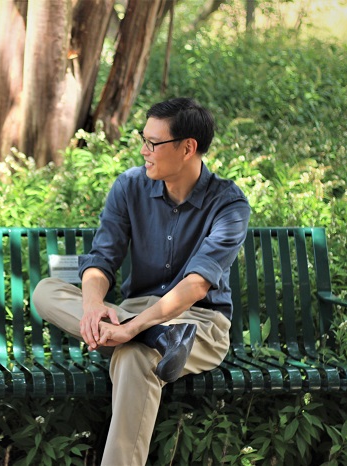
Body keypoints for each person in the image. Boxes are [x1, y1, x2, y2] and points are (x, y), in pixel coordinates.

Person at [33, 97, 250, 466]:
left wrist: (132, 330)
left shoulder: (228, 205)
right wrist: (92, 307)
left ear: (187, 148)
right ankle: (159, 340)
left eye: (153, 143)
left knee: (134, 358)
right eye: (143, 139)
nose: (144, 151)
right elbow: (102, 258)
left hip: (198, 323)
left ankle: (153, 338)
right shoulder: (130, 186)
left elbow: (197, 285)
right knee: (46, 290)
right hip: (133, 315)